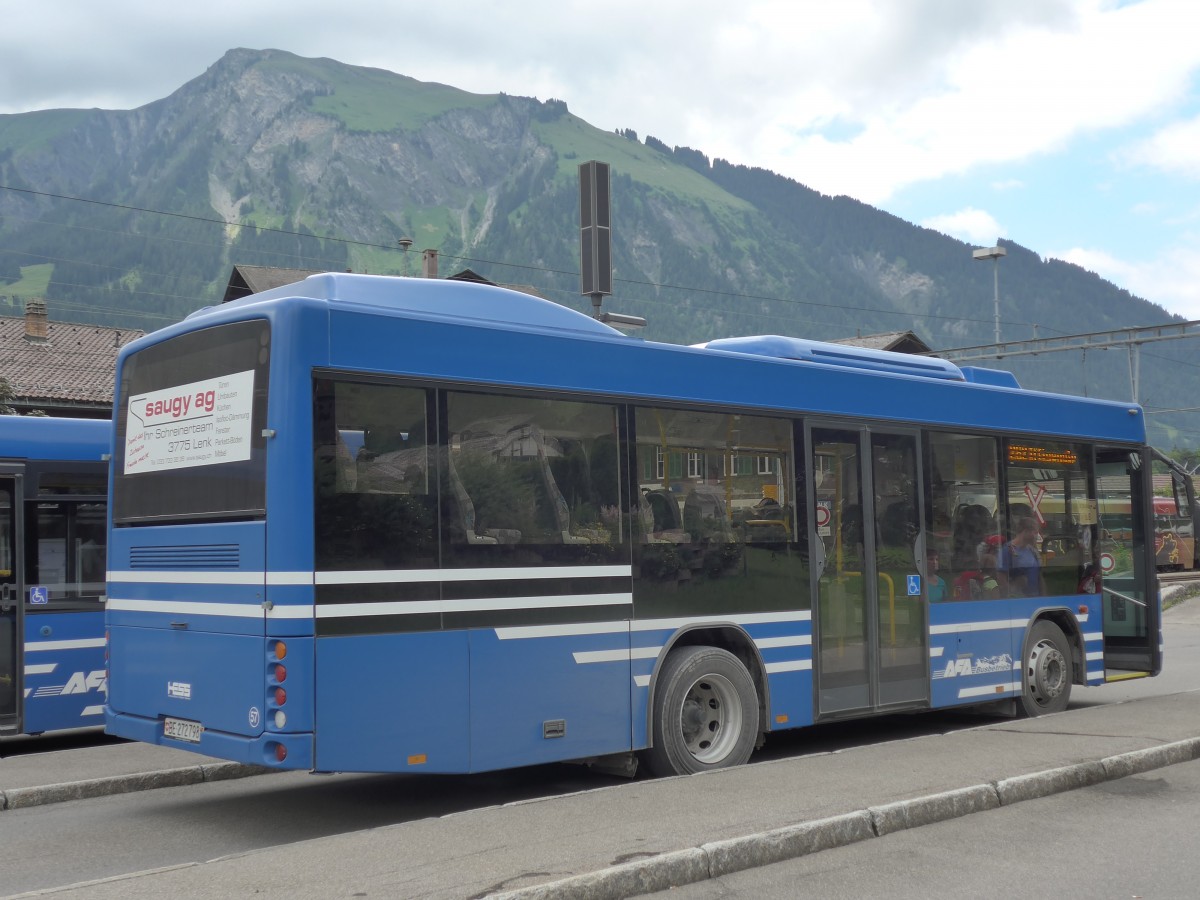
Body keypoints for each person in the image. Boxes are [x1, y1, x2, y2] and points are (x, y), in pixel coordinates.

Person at [998, 516, 1046, 597]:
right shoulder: (1007, 550)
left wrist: (1045, 597)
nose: (1036, 536)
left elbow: (1039, 576)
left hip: (1036, 599)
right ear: (1025, 531)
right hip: (1019, 600)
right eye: (1035, 533)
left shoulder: (1032, 550)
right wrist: (1012, 592)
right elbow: (1001, 578)